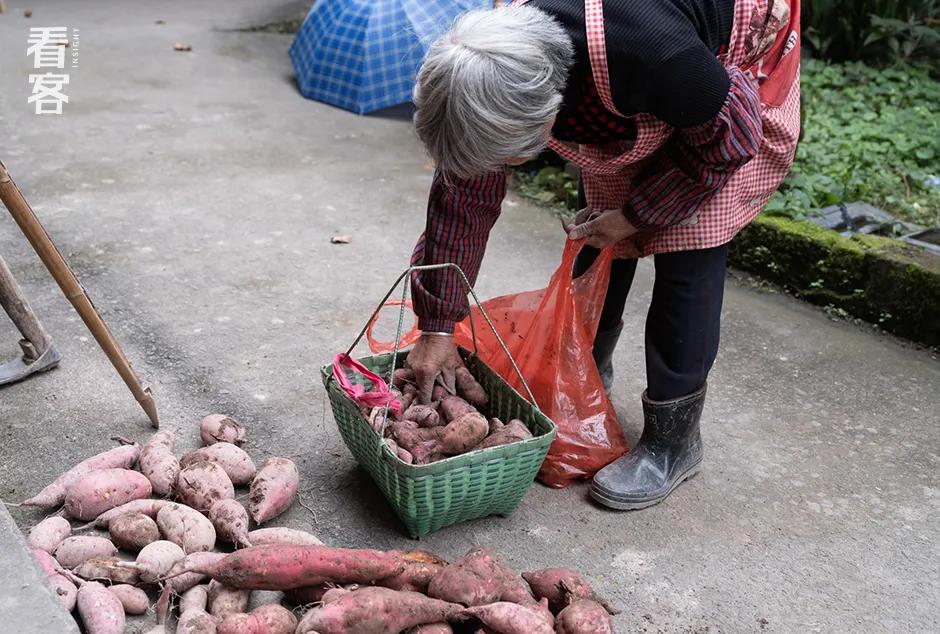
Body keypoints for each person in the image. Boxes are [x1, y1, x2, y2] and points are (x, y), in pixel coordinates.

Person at [405, 0, 800, 510]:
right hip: (627, 76)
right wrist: (437, 324)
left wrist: (638, 216)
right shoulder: (495, 63)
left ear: (548, 114)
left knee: (689, 251)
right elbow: (462, 201)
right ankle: (587, 369)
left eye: (509, 158)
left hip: (718, 104)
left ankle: (673, 441)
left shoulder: (658, 54)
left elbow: (729, 139)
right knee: (597, 236)